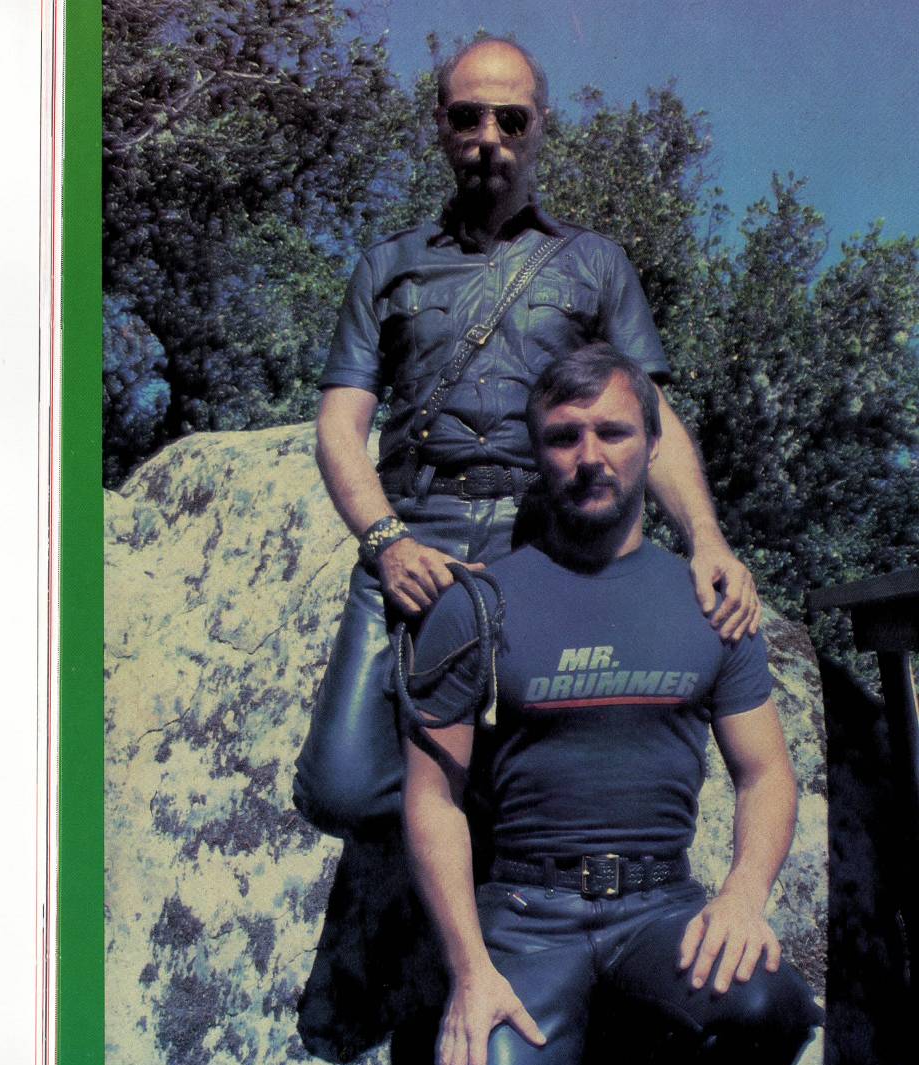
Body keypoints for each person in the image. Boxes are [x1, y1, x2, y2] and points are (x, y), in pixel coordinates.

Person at [402, 343, 821, 1065]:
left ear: (652, 443)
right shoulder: (477, 604)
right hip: (524, 919)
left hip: (658, 910)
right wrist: (470, 970)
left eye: (613, 431)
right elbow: (433, 799)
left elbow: (765, 772)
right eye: (563, 436)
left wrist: (743, 894)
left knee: (773, 1008)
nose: (589, 455)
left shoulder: (710, 602)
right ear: (537, 452)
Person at [293, 35, 760, 835]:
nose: (489, 137)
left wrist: (706, 540)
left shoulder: (595, 263)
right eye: (468, 117)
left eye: (510, 119)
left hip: (544, 544)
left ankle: (513, 835)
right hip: (416, 537)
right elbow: (340, 423)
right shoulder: (385, 266)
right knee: (338, 788)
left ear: (541, 125)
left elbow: (649, 415)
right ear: (441, 125)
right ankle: (474, 811)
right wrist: (387, 542)